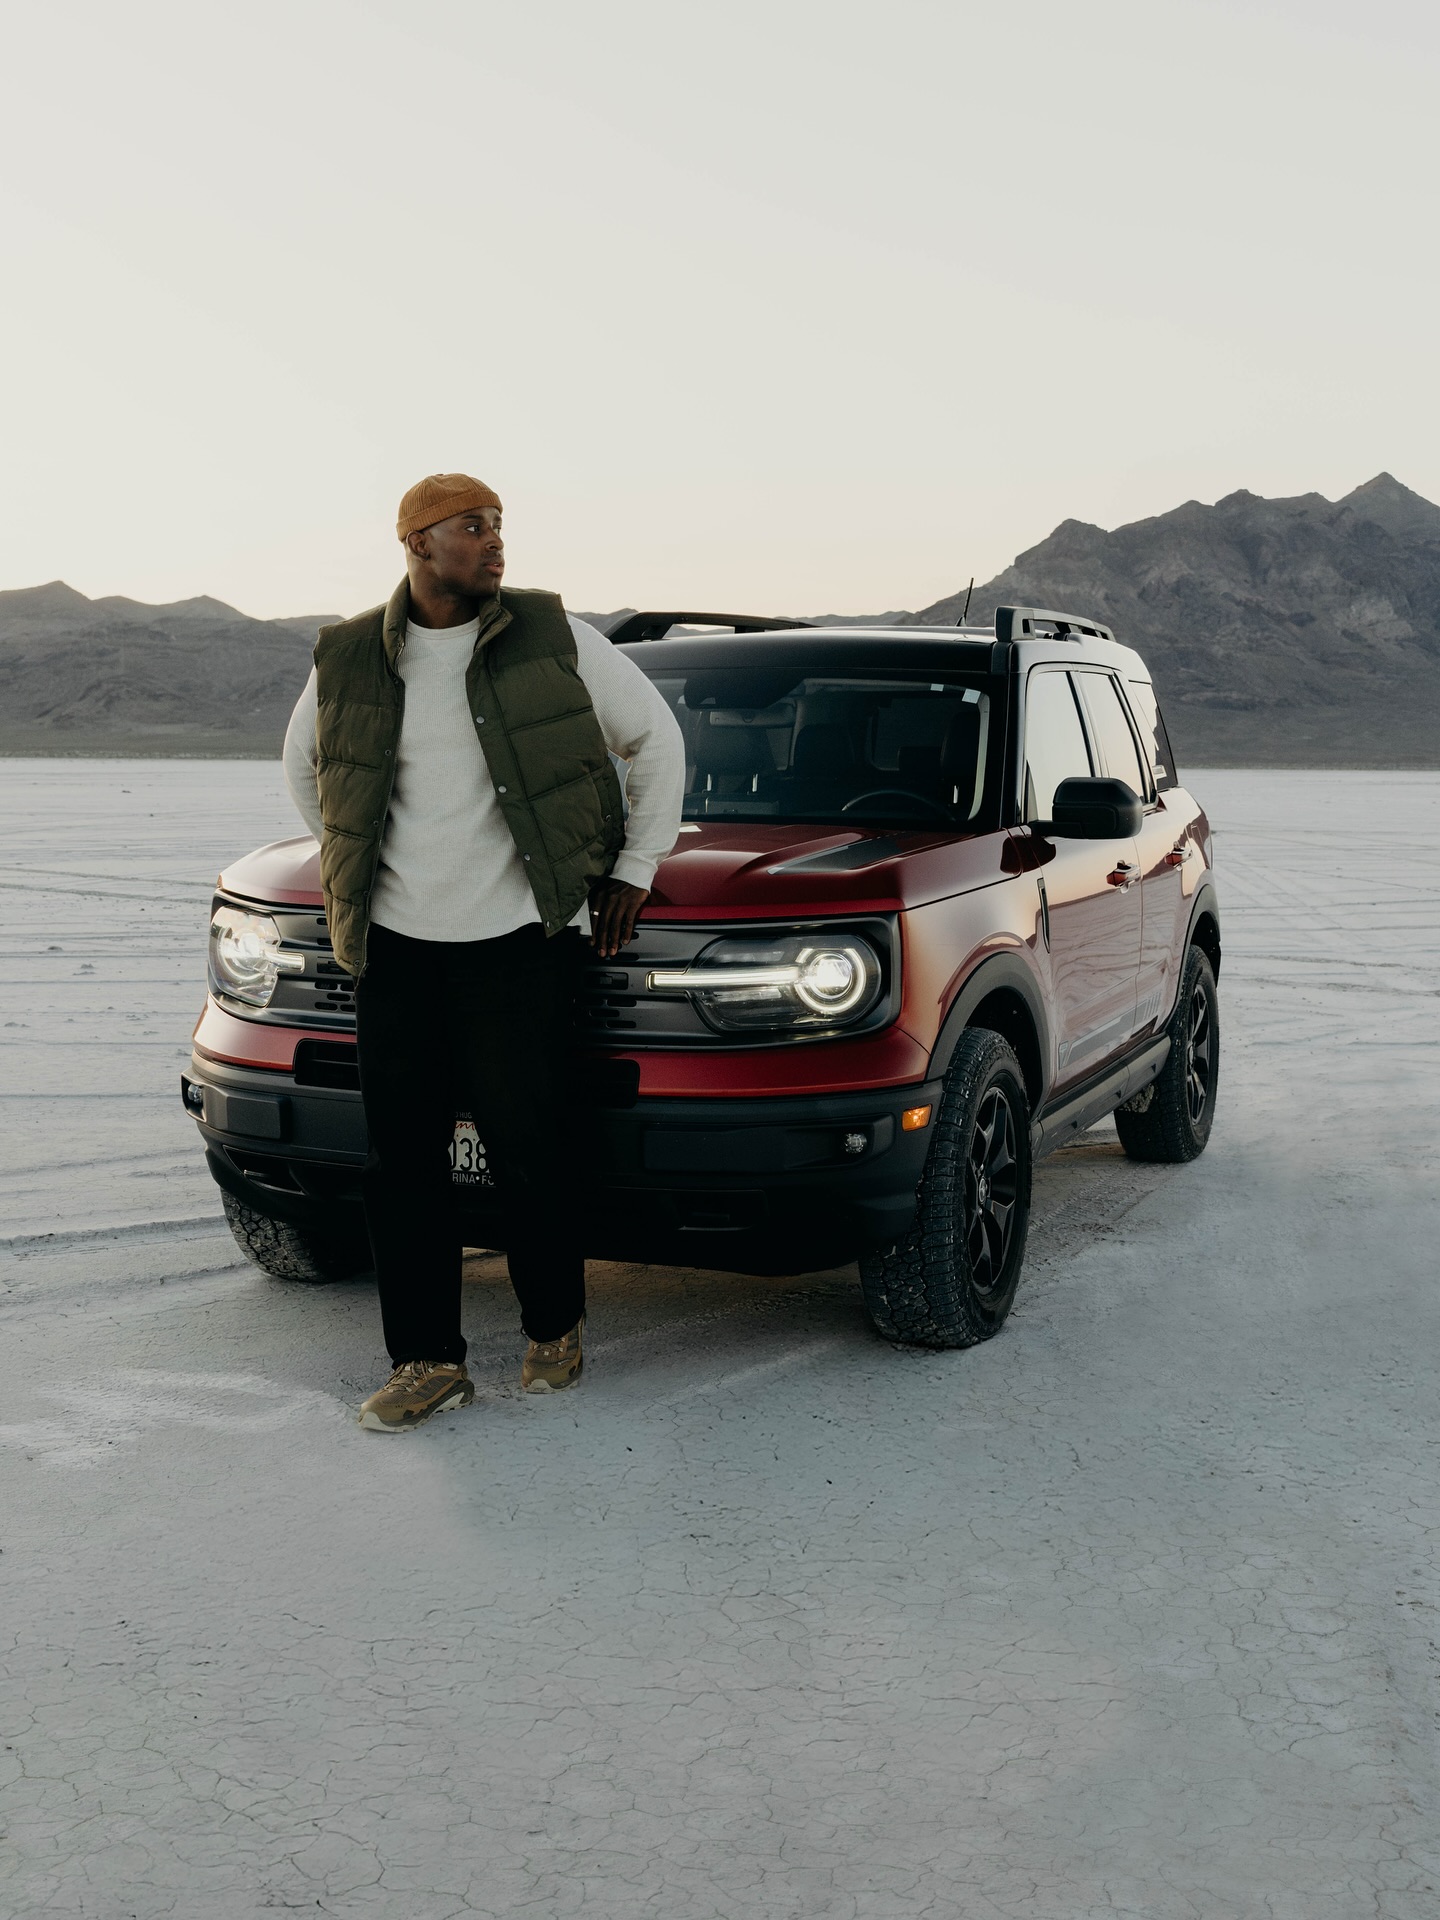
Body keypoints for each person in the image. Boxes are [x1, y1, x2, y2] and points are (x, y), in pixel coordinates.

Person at [283, 473, 685, 1431]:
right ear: (419, 543)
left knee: (529, 1147)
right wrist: (363, 871)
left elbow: (655, 739)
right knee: (403, 1164)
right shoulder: (348, 655)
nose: (496, 541)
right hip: (395, 949)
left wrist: (635, 864)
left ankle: (554, 1331)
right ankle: (427, 1361)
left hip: (516, 941)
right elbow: (307, 769)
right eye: (474, 526)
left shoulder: (555, 636)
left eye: (501, 525)